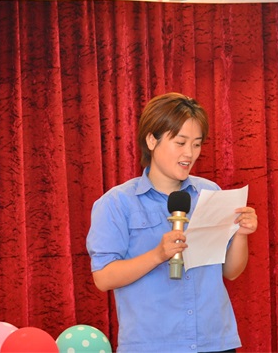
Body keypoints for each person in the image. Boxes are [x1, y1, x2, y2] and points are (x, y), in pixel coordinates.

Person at [86, 92, 258, 353]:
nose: (189, 153)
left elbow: (231, 271)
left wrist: (242, 234)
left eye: (196, 144)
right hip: (152, 345)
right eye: (180, 142)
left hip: (214, 341)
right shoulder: (116, 203)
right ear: (151, 140)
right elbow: (103, 277)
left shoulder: (209, 192)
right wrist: (158, 255)